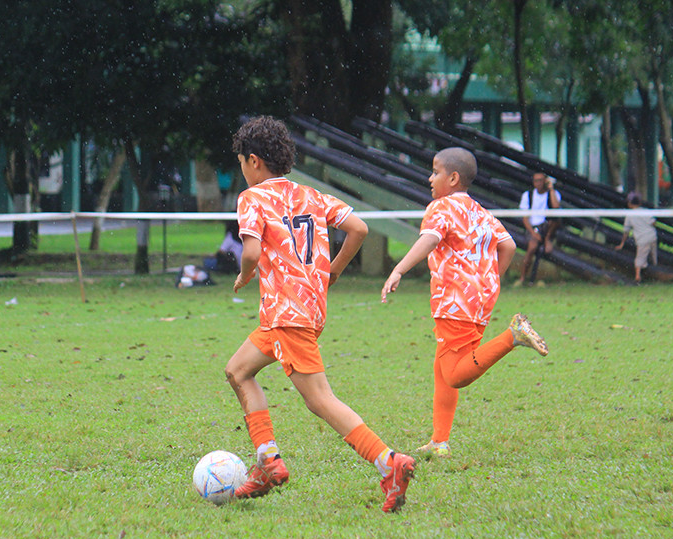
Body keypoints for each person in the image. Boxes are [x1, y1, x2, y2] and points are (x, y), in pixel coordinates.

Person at [225, 116, 415, 513]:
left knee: (321, 400)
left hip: (285, 315)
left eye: (241, 161)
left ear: (254, 161)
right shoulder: (311, 195)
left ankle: (390, 462)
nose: (241, 170)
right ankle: (267, 462)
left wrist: (245, 276)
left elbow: (251, 253)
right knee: (238, 370)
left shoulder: (252, 198)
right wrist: (335, 270)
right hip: (303, 312)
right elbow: (359, 228)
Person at [381, 147, 548, 458]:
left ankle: (512, 336)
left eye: (435, 172)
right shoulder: (482, 212)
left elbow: (429, 239)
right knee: (442, 367)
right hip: (481, 300)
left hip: (454, 301)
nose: (430, 178)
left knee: (455, 374)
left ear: (453, 178)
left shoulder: (440, 207)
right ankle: (440, 441)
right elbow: (508, 246)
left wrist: (398, 269)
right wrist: (488, 281)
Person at [516, 172, 561, 286]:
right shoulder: (528, 195)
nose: (539, 183)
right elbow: (525, 218)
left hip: (548, 227)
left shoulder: (554, 194)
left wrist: (551, 190)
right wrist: (532, 232)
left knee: (554, 220)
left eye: (541, 180)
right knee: (532, 247)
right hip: (534, 228)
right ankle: (522, 278)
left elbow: (555, 207)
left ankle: (547, 240)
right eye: (536, 180)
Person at [615, 192, 658, 285]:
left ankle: (637, 276)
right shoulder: (646, 211)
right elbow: (653, 223)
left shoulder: (630, 215)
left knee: (640, 258)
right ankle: (656, 269)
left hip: (642, 239)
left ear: (630, 203)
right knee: (653, 255)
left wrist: (622, 244)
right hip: (652, 236)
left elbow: (626, 231)